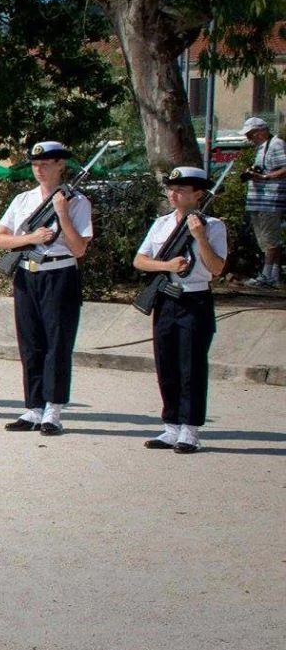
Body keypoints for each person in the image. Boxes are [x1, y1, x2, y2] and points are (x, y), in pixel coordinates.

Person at [0, 141, 96, 435]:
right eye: (36, 165)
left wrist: (62, 214)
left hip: (59, 274)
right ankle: (33, 407)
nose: (39, 169)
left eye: (46, 164)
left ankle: (53, 410)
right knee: (31, 343)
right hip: (27, 274)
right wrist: (29, 238)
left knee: (57, 344)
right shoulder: (23, 200)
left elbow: (78, 249)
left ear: (61, 165)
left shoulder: (77, 201)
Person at [134, 166, 228, 454]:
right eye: (170, 189)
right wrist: (166, 266)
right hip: (166, 298)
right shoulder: (162, 224)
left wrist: (199, 237)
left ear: (198, 194)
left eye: (181, 190)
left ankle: (190, 429)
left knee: (191, 366)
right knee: (166, 364)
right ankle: (171, 426)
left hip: (195, 300)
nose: (173, 194)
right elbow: (140, 260)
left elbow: (217, 268)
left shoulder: (213, 226)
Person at [239, 117, 286, 287]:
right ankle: (273, 275)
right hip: (260, 200)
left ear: (261, 131)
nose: (249, 138)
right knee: (267, 238)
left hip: (270, 200)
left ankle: (266, 274)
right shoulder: (262, 148)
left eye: (251, 134)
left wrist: (264, 176)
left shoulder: (276, 144)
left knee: (269, 238)